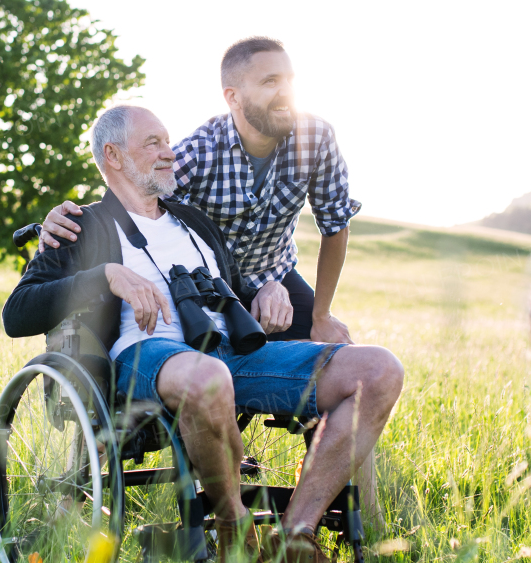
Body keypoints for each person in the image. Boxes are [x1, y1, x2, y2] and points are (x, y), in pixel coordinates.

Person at [2, 105, 404, 563]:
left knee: (379, 369)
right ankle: (237, 532)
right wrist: (105, 276)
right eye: (152, 143)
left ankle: (294, 541)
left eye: (168, 141)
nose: (170, 152)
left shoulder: (193, 221)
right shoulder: (80, 226)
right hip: (143, 357)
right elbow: (16, 313)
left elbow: (234, 290)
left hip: (231, 353)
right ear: (113, 155)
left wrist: (268, 290)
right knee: (206, 375)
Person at [37, 37, 384, 524]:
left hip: (275, 277)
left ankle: (353, 520)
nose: (284, 91)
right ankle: (87, 477)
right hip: (207, 288)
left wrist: (320, 313)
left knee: (350, 359)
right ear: (233, 98)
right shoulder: (198, 152)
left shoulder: (315, 137)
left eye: (288, 80)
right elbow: (134, 194)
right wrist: (67, 221)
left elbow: (335, 224)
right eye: (269, 82)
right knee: (151, 359)